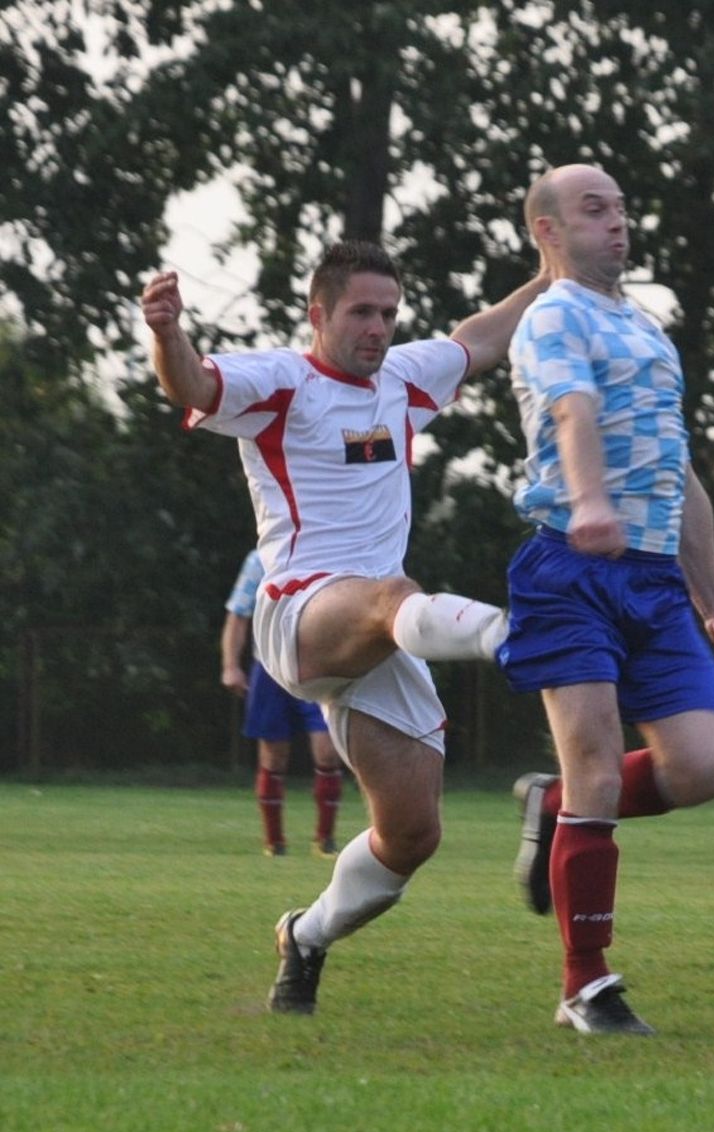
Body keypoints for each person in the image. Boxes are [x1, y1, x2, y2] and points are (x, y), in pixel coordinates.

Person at [140, 239, 551, 1015]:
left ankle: (306, 935)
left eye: (389, 313)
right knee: (390, 594)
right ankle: (522, 637)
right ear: (318, 313)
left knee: (412, 837)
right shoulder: (282, 381)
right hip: (300, 614)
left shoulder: (401, 378)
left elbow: (483, 338)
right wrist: (166, 332)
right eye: (362, 311)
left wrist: (551, 273)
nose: (378, 327)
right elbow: (189, 383)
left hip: (382, 635)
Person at [497, 163, 714, 1036]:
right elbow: (573, 414)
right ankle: (586, 983)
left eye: (619, 208)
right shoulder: (550, 316)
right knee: (599, 769)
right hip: (568, 570)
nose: (616, 223)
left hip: (651, 581)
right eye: (592, 210)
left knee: (703, 767)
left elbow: (680, 477)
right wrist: (588, 501)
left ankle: (555, 807)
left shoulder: (647, 330)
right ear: (547, 232)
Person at [221, 547, 346, 857]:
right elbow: (238, 615)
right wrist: (230, 665)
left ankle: (324, 838)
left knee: (328, 752)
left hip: (316, 668)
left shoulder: (325, 554)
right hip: (270, 670)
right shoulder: (259, 560)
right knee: (273, 757)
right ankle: (274, 842)